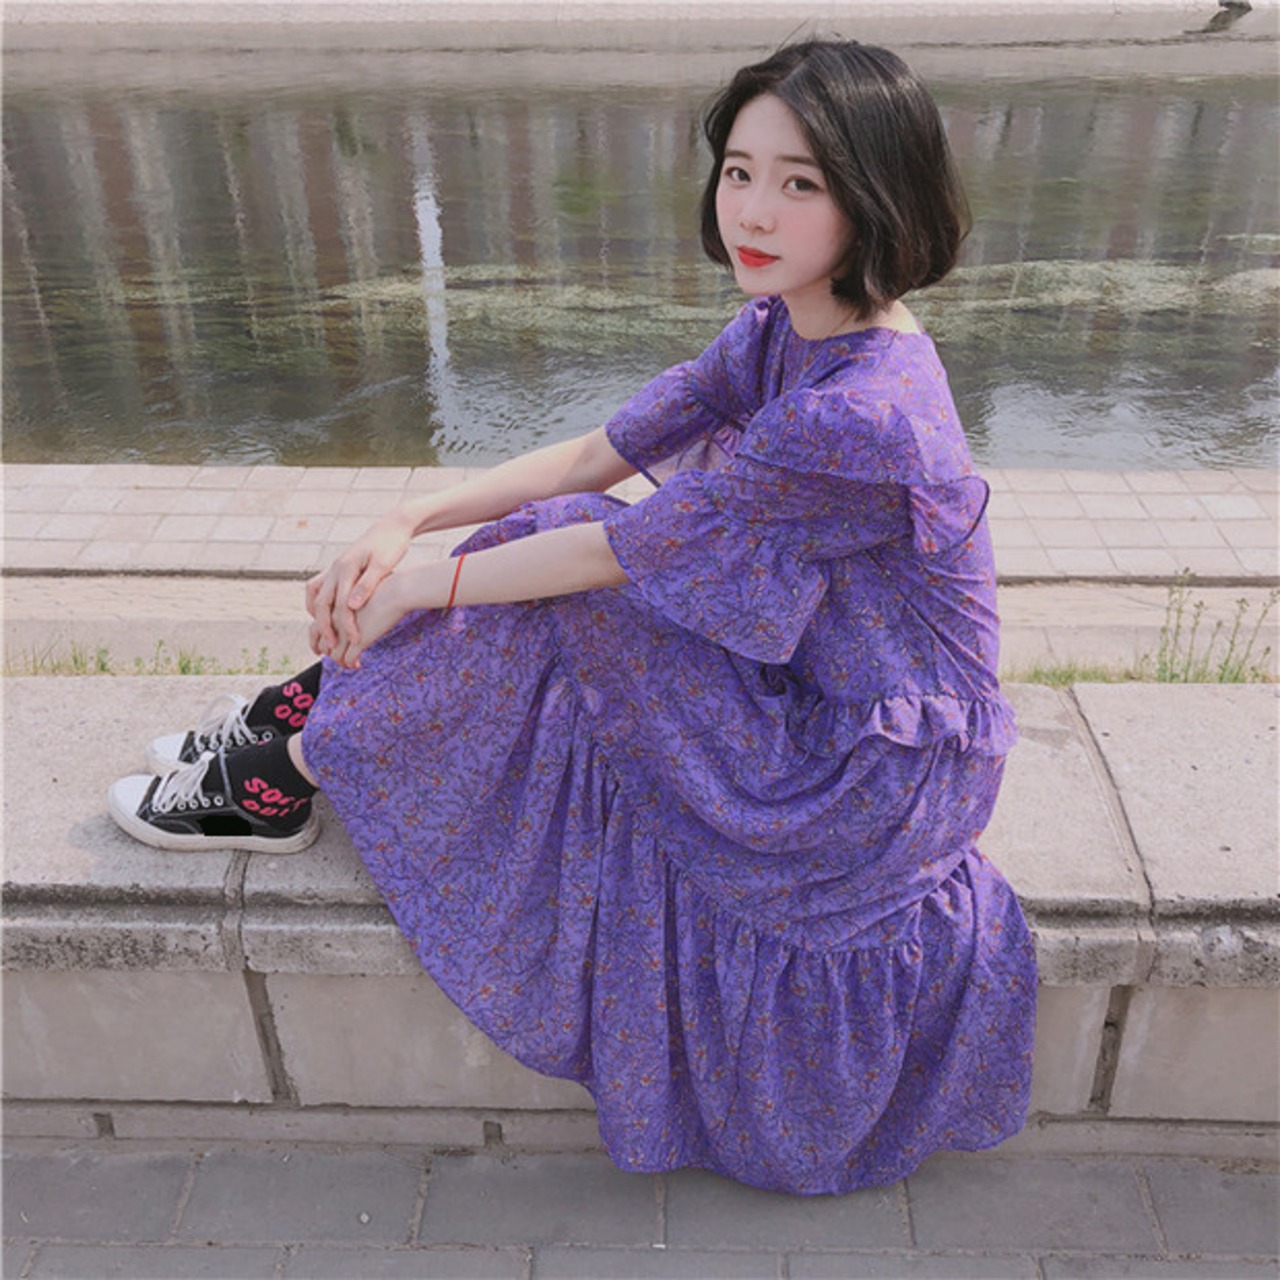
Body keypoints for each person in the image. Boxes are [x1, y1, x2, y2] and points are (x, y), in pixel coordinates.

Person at [108, 39, 1036, 1196]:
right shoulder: (786, 325)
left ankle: (287, 761)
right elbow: (606, 449)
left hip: (865, 772)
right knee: (547, 537)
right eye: (738, 170)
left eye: (800, 182)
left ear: (876, 195)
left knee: (563, 566)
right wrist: (408, 517)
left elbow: (609, 546)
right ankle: (306, 718)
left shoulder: (862, 412)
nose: (752, 210)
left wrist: (415, 583)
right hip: (813, 690)